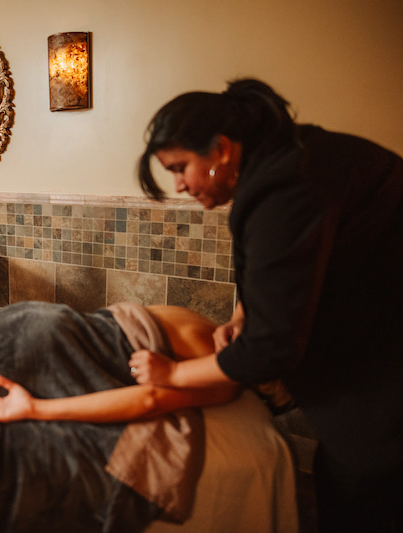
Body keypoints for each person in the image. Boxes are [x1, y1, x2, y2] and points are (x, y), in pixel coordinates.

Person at [131, 78, 403, 531]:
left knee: (362, 494)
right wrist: (244, 313)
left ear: (220, 149)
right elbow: (285, 263)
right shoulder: (289, 158)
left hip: (385, 379)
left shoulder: (285, 185)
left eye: (180, 167)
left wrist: (172, 373)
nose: (178, 185)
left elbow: (271, 350)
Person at [0, 305, 238, 423]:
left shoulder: (225, 378)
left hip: (72, 335)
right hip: (71, 326)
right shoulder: (228, 338)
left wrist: (35, 409)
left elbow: (151, 399)